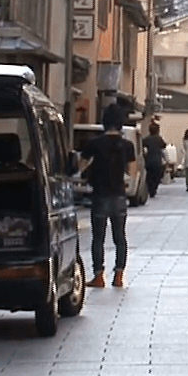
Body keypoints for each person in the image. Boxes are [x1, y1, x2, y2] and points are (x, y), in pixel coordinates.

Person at [79, 117, 138, 288]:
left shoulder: (94, 143)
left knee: (98, 238)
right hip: (119, 195)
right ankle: (119, 275)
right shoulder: (127, 145)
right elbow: (132, 170)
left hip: (100, 195)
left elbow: (81, 165)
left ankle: (99, 276)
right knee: (120, 237)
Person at [141, 122, 168, 199]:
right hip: (157, 160)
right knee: (157, 175)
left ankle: (151, 189)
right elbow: (164, 146)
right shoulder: (159, 139)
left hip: (148, 159)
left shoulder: (147, 139)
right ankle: (154, 189)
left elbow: (142, 145)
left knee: (149, 176)